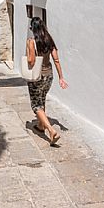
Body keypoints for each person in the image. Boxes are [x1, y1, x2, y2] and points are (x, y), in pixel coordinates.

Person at [26, 17, 68, 145]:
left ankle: (51, 130)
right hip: (49, 75)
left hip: (37, 77)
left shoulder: (31, 42)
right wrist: (61, 78)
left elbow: (31, 61)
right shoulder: (49, 40)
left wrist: (28, 50)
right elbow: (56, 59)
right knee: (42, 98)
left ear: (33, 29)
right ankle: (40, 125)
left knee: (35, 105)